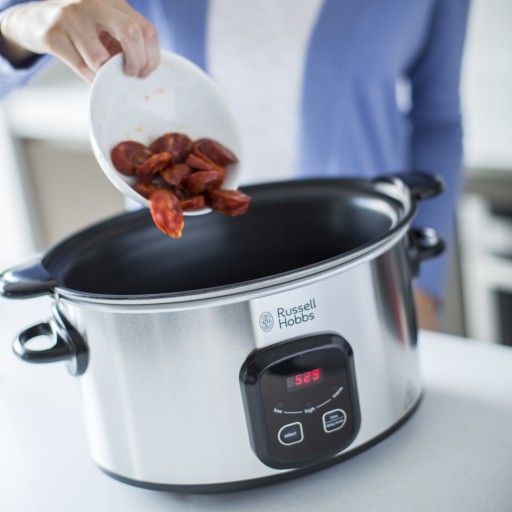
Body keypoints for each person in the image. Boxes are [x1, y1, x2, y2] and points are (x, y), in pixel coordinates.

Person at [0, 0, 471, 331]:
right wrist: (22, 21)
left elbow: (438, 121)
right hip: (182, 275)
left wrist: (424, 284)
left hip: (359, 263)